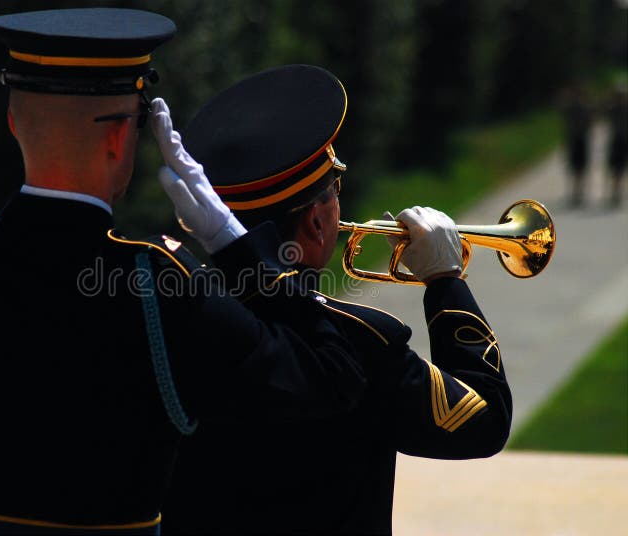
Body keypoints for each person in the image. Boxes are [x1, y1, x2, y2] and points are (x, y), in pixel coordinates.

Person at [0, 13, 371, 534]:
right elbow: (330, 379)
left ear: (12, 121)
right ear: (120, 137)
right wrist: (234, 245)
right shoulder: (158, 288)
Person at [151, 65, 513, 534]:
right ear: (318, 223)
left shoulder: (169, 318)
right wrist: (446, 281)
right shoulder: (362, 341)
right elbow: (484, 420)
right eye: (335, 192)